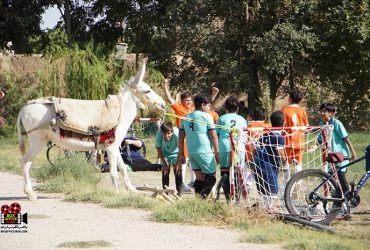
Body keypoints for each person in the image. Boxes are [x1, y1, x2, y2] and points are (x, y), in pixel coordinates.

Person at [163, 80, 219, 189]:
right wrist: (165, 86)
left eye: (190, 100)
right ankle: (183, 184)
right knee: (185, 162)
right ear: (182, 101)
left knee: (196, 171)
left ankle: (195, 186)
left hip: (192, 141)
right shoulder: (179, 108)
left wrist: (214, 94)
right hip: (188, 140)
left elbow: (206, 104)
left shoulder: (193, 110)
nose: (188, 102)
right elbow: (169, 99)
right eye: (186, 100)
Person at [178, 93, 220, 198]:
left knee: (199, 179)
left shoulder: (186, 117)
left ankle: (198, 201)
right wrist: (217, 153)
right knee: (212, 178)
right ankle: (202, 198)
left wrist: (181, 154)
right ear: (202, 105)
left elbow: (180, 137)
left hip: (192, 153)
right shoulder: (207, 116)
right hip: (204, 151)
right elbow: (214, 136)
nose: (209, 107)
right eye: (208, 105)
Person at [254, 110, 287, 212]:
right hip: (269, 167)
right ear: (283, 123)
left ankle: (265, 207)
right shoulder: (279, 137)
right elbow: (279, 150)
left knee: (264, 190)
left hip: (259, 166)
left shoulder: (263, 136)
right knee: (272, 190)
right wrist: (285, 161)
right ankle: (269, 208)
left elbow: (255, 151)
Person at [216, 95, 247, 201]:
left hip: (225, 147)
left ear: (225, 107)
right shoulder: (243, 119)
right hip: (239, 147)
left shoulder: (221, 119)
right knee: (238, 172)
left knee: (225, 172)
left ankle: (229, 199)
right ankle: (237, 199)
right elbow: (245, 136)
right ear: (237, 108)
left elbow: (217, 134)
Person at [317, 102, 357, 171]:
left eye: (324, 111)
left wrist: (353, 153)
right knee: (330, 178)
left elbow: (346, 138)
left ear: (331, 113)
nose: (322, 113)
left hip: (340, 155)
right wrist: (315, 146)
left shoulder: (336, 123)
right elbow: (320, 140)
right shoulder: (321, 124)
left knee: (340, 177)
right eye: (321, 111)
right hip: (329, 156)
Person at [281, 88, 309, 184]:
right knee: (298, 164)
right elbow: (306, 128)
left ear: (290, 98)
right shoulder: (303, 111)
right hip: (299, 141)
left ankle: (286, 186)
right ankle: (298, 184)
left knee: (286, 164)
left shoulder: (284, 110)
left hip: (287, 141)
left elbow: (281, 126)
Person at [155, 121, 190, 195]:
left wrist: (177, 164)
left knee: (177, 171)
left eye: (168, 133)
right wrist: (164, 164)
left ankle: (179, 193)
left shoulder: (177, 134)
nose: (166, 136)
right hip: (164, 154)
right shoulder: (159, 134)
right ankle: (165, 193)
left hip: (176, 153)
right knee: (165, 171)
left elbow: (180, 149)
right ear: (161, 132)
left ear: (172, 132)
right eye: (164, 133)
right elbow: (158, 148)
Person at [245, 107, 271, 186]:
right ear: (264, 117)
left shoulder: (249, 125)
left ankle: (248, 183)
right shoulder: (268, 126)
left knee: (251, 168)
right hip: (264, 153)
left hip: (250, 153)